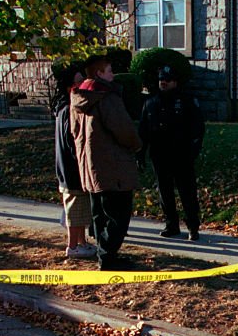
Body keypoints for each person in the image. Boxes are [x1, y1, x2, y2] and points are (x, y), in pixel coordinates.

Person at [70, 55, 142, 271]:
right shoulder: (106, 97)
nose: (113, 75)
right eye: (110, 70)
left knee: (99, 213)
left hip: (90, 167)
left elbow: (74, 132)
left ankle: (105, 255)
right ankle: (109, 256)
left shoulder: (77, 99)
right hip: (113, 166)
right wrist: (136, 145)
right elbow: (123, 130)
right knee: (118, 214)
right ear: (99, 74)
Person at [138, 64, 205, 241]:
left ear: (175, 82)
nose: (164, 83)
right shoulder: (151, 103)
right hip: (159, 155)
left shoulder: (187, 101)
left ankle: (193, 227)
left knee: (187, 192)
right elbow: (143, 130)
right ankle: (171, 225)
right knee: (165, 191)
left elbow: (198, 128)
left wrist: (193, 151)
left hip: (182, 154)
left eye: (167, 80)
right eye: (161, 80)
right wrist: (141, 153)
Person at [54, 65, 96, 260]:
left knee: (80, 212)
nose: (83, 86)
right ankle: (73, 246)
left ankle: (81, 242)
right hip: (71, 170)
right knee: (74, 211)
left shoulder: (65, 108)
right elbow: (71, 141)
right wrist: (81, 162)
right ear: (71, 87)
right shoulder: (68, 110)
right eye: (79, 82)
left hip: (69, 169)